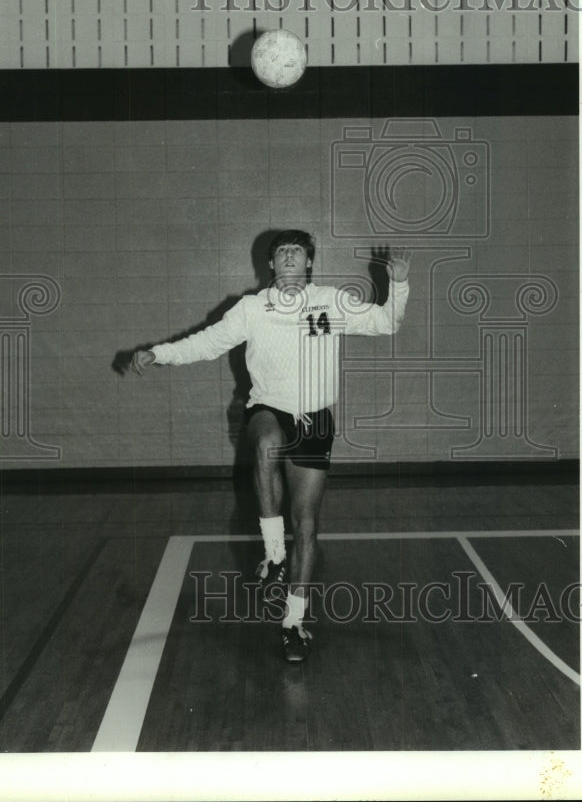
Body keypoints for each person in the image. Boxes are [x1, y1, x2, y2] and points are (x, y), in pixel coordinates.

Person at [128, 230, 411, 662]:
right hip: (270, 407)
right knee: (263, 444)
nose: (291, 256)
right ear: (272, 265)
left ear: (310, 263)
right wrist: (158, 353)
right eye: (283, 251)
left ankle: (294, 622)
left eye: (298, 251)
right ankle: (274, 552)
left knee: (309, 526)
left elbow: (387, 323)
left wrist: (401, 283)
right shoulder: (251, 308)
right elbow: (205, 342)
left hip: (316, 420)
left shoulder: (333, 301)